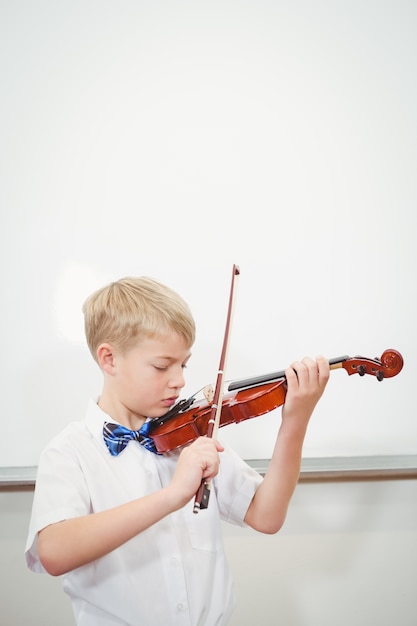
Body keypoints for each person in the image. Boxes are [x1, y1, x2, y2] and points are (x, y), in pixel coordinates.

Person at [25, 276, 330, 626]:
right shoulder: (70, 452)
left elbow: (267, 515)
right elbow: (53, 552)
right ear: (109, 359)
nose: (180, 380)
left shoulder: (189, 437)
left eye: (182, 364)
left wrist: (295, 421)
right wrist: (172, 495)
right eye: (161, 365)